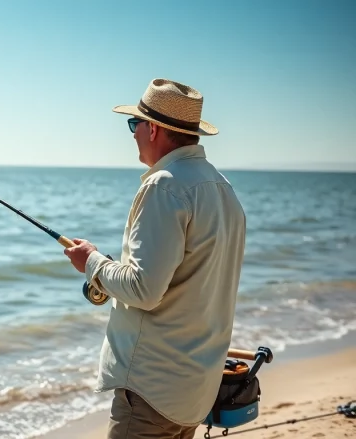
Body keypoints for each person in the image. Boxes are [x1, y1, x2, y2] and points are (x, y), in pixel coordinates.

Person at [63, 78, 246, 439]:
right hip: (194, 389)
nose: (131, 135)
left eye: (134, 125)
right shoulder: (223, 189)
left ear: (154, 130)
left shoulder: (164, 185)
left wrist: (93, 263)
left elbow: (143, 289)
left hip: (153, 390)